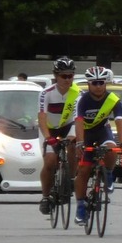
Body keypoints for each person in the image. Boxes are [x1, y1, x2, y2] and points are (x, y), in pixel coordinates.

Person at [72, 66, 122, 225]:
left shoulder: (113, 100)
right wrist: (80, 143)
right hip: (86, 133)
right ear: (89, 84)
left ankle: (108, 174)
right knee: (84, 170)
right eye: (94, 83)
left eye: (101, 83)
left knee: (111, 148)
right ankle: (81, 207)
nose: (98, 86)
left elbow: (119, 122)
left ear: (106, 83)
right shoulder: (82, 100)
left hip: (102, 131)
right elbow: (79, 122)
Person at [37, 57, 80, 215]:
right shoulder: (45, 93)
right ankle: (45, 196)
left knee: (74, 147)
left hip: (69, 126)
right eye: (64, 76)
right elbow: (42, 118)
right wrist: (48, 138)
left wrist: (72, 136)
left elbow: (77, 118)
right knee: (50, 162)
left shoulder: (77, 93)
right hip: (49, 128)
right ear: (56, 76)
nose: (67, 79)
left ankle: (69, 180)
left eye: (71, 76)